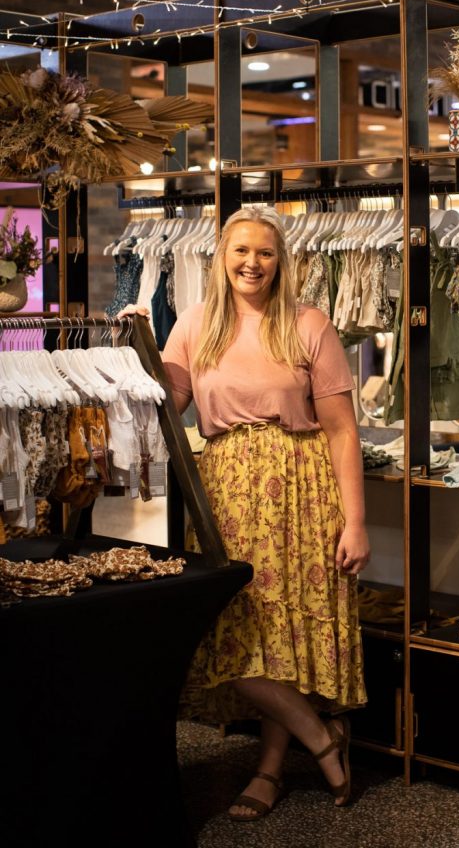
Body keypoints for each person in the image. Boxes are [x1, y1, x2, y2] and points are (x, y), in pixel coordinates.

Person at [119, 204, 369, 821]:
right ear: (220, 258)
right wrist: (136, 345)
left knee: (280, 639)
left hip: (301, 490)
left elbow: (342, 430)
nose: (252, 263)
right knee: (230, 639)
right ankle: (321, 738)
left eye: (264, 252)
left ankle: (268, 771)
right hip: (227, 492)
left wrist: (357, 521)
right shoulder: (193, 325)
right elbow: (165, 406)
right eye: (241, 252)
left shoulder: (309, 323)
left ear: (279, 260)